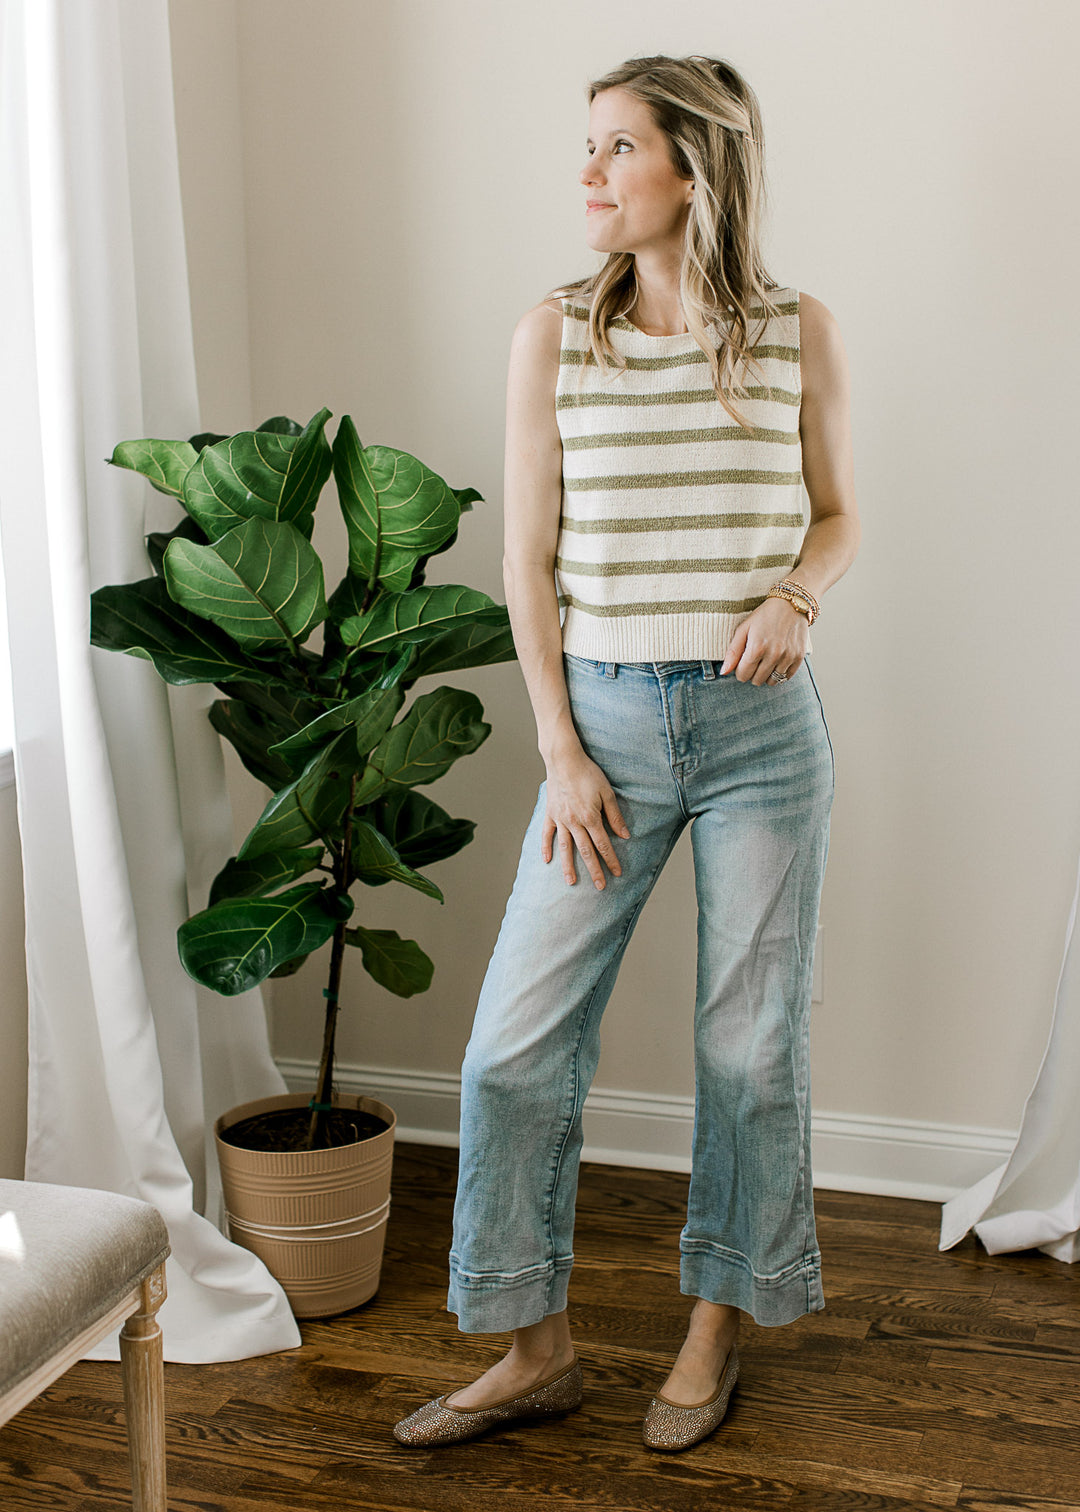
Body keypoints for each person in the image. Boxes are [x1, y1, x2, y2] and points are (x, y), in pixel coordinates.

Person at [394, 52, 859, 1452]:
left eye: (614, 147)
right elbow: (525, 563)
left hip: (761, 736)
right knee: (511, 1051)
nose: (586, 174)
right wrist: (561, 746)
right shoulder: (555, 333)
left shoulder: (795, 330)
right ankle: (538, 1349)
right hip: (598, 728)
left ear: (693, 169)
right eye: (585, 147)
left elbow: (838, 516)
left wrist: (795, 596)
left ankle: (714, 1329)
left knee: (748, 1047)